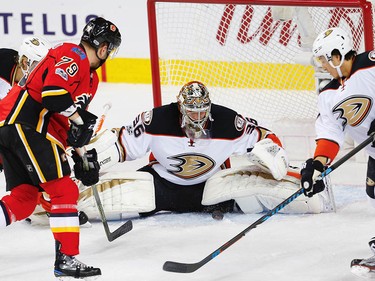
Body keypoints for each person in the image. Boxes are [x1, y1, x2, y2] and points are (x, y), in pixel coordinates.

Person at [68, 80, 334, 223]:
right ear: (180, 108)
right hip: (162, 186)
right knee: (84, 203)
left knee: (307, 201)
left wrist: (275, 157)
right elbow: (121, 145)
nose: (198, 118)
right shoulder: (156, 120)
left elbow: (264, 137)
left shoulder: (228, 121)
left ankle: (311, 186)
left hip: (214, 187)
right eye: (192, 112)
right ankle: (55, 200)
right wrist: (92, 161)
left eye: (202, 112)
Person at [0, 16, 121, 279]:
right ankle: (66, 258)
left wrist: (83, 155)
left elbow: (68, 123)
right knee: (64, 189)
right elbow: (53, 94)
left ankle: (65, 257)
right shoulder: (73, 53)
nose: (109, 54)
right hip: (27, 126)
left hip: (19, 130)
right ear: (103, 48)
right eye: (110, 49)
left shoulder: (90, 78)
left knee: (24, 199)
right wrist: (79, 119)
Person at [299, 27, 375, 279]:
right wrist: (317, 166)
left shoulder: (371, 65)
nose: (321, 64)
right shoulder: (328, 93)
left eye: (323, 58)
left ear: (337, 54)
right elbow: (330, 134)